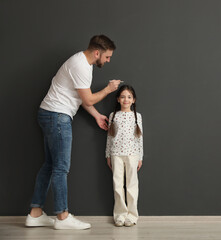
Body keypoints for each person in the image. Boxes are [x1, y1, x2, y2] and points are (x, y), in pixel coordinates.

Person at [25, 35, 122, 230]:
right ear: (97, 52)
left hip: (49, 113)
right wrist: (108, 89)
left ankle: (35, 214)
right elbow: (88, 99)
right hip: (57, 117)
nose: (108, 60)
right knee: (61, 167)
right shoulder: (81, 66)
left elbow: (81, 98)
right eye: (107, 57)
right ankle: (62, 216)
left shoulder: (82, 63)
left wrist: (95, 115)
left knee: (50, 165)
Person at [105, 85, 143, 227]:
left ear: (133, 100)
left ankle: (132, 215)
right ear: (118, 99)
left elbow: (140, 138)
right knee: (117, 186)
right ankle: (120, 215)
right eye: (122, 96)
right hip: (116, 154)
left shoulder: (137, 116)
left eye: (129, 97)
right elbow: (109, 137)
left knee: (132, 185)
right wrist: (108, 155)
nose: (125, 99)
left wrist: (140, 157)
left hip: (132, 154)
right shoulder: (113, 116)